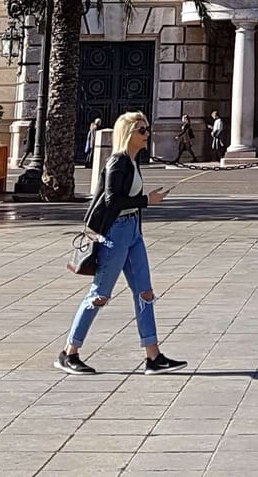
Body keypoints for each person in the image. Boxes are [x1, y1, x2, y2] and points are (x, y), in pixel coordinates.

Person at [58, 112, 185, 376]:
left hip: (132, 232)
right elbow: (112, 201)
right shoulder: (117, 162)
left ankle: (153, 356)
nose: (146, 134)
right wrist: (147, 201)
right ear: (128, 134)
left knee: (145, 293)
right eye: (141, 130)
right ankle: (69, 352)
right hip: (115, 233)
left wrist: (145, 205)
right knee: (99, 295)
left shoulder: (133, 161)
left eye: (146, 129)